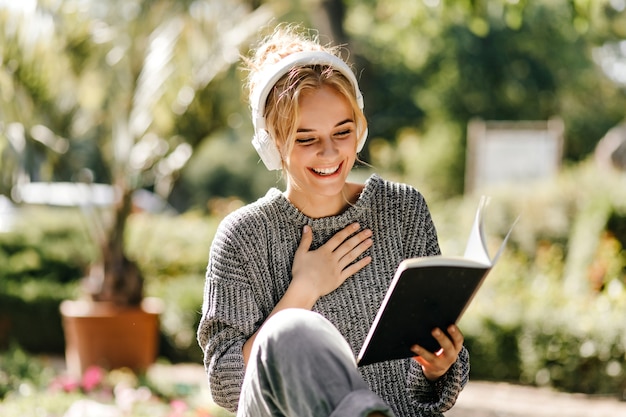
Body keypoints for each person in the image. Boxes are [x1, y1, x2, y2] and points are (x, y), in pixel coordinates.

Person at [197, 24, 469, 417]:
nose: (329, 153)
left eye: (342, 132)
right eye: (306, 139)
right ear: (272, 144)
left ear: (359, 131)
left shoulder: (403, 211)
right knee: (288, 331)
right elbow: (226, 385)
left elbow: (435, 384)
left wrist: (439, 369)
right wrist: (304, 290)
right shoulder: (243, 237)